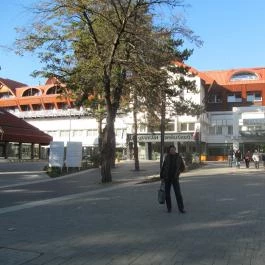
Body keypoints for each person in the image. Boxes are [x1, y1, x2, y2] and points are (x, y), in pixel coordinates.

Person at [160, 145, 186, 213]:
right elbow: (163, 167)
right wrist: (162, 177)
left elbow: (183, 167)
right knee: (167, 194)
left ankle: (181, 208)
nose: (172, 151)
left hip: (175, 178)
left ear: (175, 150)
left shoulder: (179, 157)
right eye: (171, 150)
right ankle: (169, 208)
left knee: (178, 194)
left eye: (173, 150)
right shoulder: (167, 157)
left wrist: (178, 172)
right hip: (167, 178)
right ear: (169, 151)